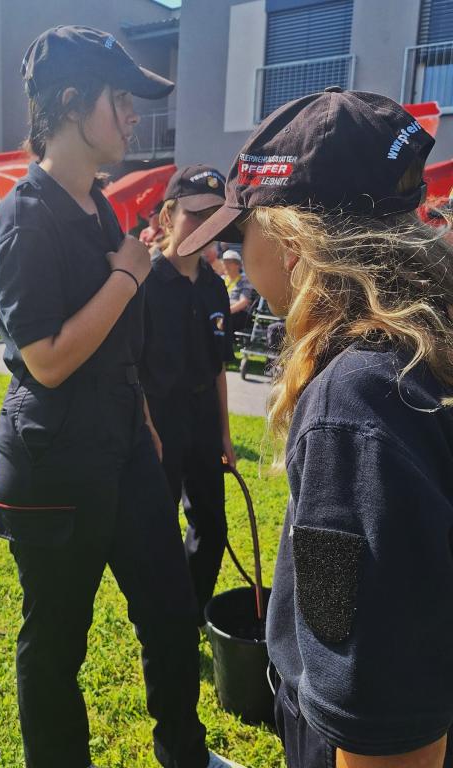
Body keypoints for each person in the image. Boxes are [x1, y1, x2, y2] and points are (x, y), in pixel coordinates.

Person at [0, 25, 244, 768]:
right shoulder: (24, 217)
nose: (134, 116)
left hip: (127, 444)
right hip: (53, 461)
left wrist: (144, 419)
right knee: (56, 644)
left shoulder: (98, 207)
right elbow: (47, 360)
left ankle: (184, 753)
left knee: (169, 609)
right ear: (72, 103)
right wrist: (129, 275)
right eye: (120, 100)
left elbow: (118, 348)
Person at [178, 87, 453, 768]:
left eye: (242, 229)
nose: (235, 254)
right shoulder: (423, 348)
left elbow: (380, 723)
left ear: (289, 236)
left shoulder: (354, 406)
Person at [140, 164, 235, 623]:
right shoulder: (144, 283)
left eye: (214, 216)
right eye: (195, 214)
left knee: (212, 524)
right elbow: (132, 367)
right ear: (167, 216)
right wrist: (147, 428)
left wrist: (225, 434)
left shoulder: (217, 288)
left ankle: (191, 613)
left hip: (203, 417)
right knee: (156, 526)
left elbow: (219, 367)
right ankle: (159, 615)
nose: (204, 226)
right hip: (159, 417)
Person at [222, 250, 254, 333]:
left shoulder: (244, 280)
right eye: (224, 262)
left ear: (238, 265)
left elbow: (244, 302)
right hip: (222, 312)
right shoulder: (221, 279)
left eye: (229, 263)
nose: (225, 265)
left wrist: (226, 312)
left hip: (239, 314)